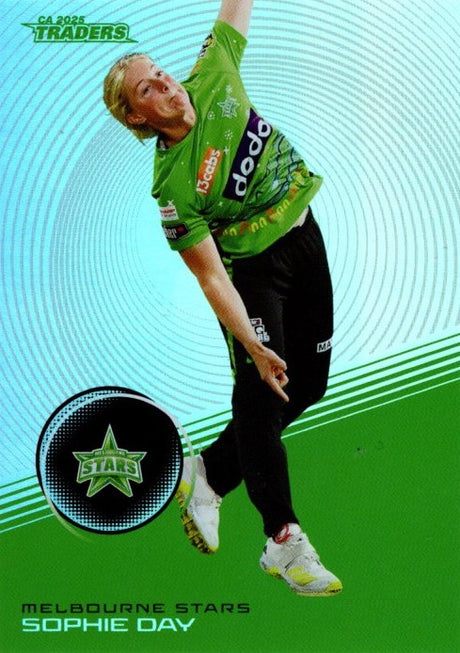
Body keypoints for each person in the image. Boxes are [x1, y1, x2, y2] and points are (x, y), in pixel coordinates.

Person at [103, 0, 342, 597]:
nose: (165, 83)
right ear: (137, 117)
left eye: (159, 72)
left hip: (306, 238)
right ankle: (284, 540)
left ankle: (207, 473)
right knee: (264, 391)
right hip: (253, 274)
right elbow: (212, 278)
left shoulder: (213, 72)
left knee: (309, 385)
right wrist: (253, 347)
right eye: (147, 89)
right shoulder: (172, 188)